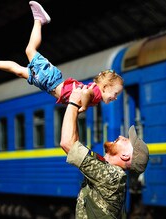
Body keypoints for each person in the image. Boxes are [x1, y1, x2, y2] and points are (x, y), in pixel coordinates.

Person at [0, 1, 124, 113]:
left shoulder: (97, 96)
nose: (115, 97)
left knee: (20, 71)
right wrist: (83, 106)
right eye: (115, 93)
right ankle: (39, 20)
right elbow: (85, 92)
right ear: (104, 87)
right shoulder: (96, 94)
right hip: (51, 79)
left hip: (47, 84)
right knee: (29, 50)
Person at [60, 83, 149, 218]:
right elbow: (75, 144)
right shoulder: (109, 171)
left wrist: (73, 102)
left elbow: (67, 143)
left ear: (125, 156)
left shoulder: (112, 176)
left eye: (125, 140)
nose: (120, 136)